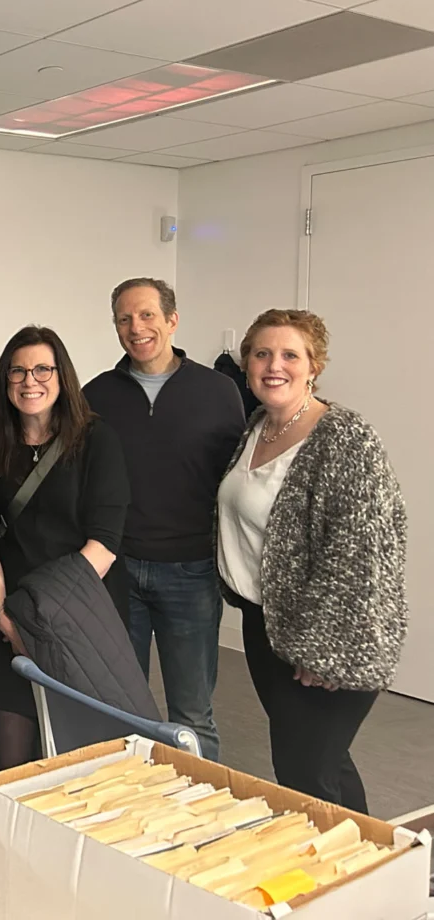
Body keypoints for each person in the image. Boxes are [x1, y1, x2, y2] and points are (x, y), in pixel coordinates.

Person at [216, 309, 406, 812]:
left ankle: (339, 879)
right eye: (261, 354)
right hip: (268, 626)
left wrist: (322, 649)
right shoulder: (259, 426)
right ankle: (372, 861)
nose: (273, 365)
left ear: (313, 365)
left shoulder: (345, 438)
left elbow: (363, 553)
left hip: (326, 641)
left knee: (305, 770)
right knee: (322, 762)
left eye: (289, 355)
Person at [83, 278, 244, 761]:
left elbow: (232, 481)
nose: (137, 328)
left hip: (191, 572)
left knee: (192, 714)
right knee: (118, 707)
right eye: (125, 319)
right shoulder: (96, 395)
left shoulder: (218, 391)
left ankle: (200, 812)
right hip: (117, 571)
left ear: (172, 320)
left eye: (147, 315)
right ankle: (126, 811)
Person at [0, 326, 131, 770]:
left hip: (81, 616)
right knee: (14, 764)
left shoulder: (97, 440)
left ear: (62, 376)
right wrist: (4, 616)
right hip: (11, 615)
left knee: (82, 761)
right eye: (17, 371)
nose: (29, 380)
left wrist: (50, 617)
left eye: (42, 369)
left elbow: (106, 542)